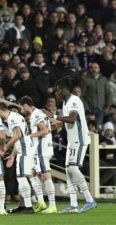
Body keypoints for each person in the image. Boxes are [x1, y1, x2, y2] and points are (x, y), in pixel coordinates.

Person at [43, 78, 96, 213]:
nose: (56, 93)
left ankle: (90, 200)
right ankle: (73, 205)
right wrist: (56, 125)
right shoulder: (66, 103)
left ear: (64, 89)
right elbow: (69, 121)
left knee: (72, 169)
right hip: (73, 140)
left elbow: (72, 118)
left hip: (80, 139)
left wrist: (53, 116)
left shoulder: (74, 100)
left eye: (58, 90)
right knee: (69, 171)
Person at [18, 96, 57, 213]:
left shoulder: (36, 114)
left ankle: (53, 206)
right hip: (38, 149)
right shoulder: (38, 113)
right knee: (31, 173)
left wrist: (29, 136)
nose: (21, 110)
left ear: (25, 105)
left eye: (21, 107)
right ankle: (41, 202)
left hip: (42, 149)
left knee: (45, 176)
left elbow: (44, 130)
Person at [0, 102, 35, 214]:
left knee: (22, 177)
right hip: (23, 148)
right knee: (20, 177)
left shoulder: (11, 118)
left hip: (25, 149)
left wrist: (6, 146)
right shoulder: (16, 115)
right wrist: (12, 155)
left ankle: (28, 206)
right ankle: (23, 205)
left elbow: (18, 135)